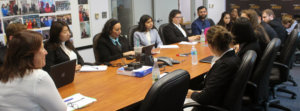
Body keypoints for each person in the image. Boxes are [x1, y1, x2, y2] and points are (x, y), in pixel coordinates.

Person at [0, 30, 67, 111]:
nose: (45, 52)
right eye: (42, 48)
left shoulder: (4, 74)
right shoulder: (39, 77)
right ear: (29, 54)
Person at [187, 25, 241, 108]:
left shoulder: (224, 65)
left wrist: (191, 94)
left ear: (211, 46)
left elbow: (205, 98)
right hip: (221, 98)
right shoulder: (233, 56)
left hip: (213, 106)